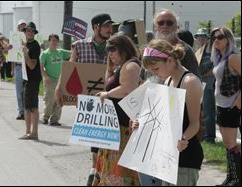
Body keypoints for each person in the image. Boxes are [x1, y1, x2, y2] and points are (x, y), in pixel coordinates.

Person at [132, 39, 204, 186]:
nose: (155, 74)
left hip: (185, 159)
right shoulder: (168, 80)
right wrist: (142, 122)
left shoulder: (189, 82)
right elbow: (163, 117)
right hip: (168, 156)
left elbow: (195, 124)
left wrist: (183, 138)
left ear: (170, 60)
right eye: (151, 71)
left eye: (156, 69)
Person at [54, 13, 114, 186]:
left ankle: (103, 171)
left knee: (109, 136)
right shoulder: (79, 46)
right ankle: (95, 170)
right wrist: (60, 88)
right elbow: (70, 68)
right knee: (94, 137)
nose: (110, 29)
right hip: (90, 100)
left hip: (111, 96)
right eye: (106, 26)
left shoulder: (115, 46)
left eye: (111, 26)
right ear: (96, 27)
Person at [94, 34, 140, 186]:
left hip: (124, 130)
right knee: (110, 173)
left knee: (120, 176)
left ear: (123, 48)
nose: (110, 53)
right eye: (108, 50)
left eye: (112, 49)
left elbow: (127, 90)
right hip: (115, 128)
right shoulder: (122, 66)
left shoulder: (131, 65)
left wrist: (107, 94)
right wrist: (110, 69)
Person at [211, 27, 241, 186]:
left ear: (228, 39)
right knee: (228, 144)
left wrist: (239, 98)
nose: (216, 40)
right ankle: (231, 177)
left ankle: (237, 179)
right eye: (214, 37)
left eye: (220, 37)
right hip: (221, 105)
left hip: (231, 105)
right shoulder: (220, 58)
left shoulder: (233, 57)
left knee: (231, 143)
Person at [154, 9, 200, 78]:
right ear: (156, 27)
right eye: (161, 23)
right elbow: (142, 78)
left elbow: (196, 79)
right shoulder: (151, 49)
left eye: (169, 23)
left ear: (176, 27)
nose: (165, 26)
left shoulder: (185, 50)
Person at [40, 34, 70, 126]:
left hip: (60, 80)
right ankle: (45, 117)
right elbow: (40, 67)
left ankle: (55, 120)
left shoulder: (61, 52)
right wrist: (45, 76)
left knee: (59, 100)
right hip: (50, 80)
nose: (54, 42)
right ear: (49, 41)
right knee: (50, 100)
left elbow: (73, 52)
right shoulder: (45, 54)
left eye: (56, 41)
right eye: (52, 40)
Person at [18, 22, 41, 140]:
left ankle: (34, 133)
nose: (30, 33)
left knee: (32, 107)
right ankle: (28, 132)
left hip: (33, 79)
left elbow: (32, 65)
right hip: (26, 78)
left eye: (32, 31)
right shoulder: (26, 44)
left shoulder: (35, 46)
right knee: (27, 106)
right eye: (28, 31)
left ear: (34, 33)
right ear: (25, 32)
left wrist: (25, 53)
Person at [194, 28, 216, 144]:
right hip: (199, 83)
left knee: (208, 109)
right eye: (198, 37)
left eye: (203, 36)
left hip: (209, 83)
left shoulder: (212, 51)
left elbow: (215, 67)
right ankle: (202, 134)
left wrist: (203, 75)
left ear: (208, 38)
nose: (201, 39)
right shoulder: (197, 52)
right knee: (199, 110)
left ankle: (210, 136)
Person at [11, 19, 27, 120]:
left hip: (28, 67)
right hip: (18, 66)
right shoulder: (14, 38)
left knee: (27, 90)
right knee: (19, 91)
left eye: (24, 25)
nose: (23, 27)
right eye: (21, 26)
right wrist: (12, 69)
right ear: (18, 28)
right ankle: (21, 111)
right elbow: (12, 54)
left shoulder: (30, 38)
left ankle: (28, 110)